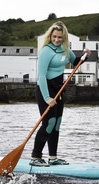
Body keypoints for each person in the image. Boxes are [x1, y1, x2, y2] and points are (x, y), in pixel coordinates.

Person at [30, 21, 89, 167]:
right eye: (54, 37)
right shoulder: (46, 51)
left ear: (64, 38)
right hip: (45, 90)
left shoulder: (65, 49)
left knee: (56, 124)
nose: (57, 40)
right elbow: (42, 76)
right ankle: (35, 157)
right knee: (48, 123)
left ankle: (53, 157)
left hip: (59, 90)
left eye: (60, 37)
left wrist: (84, 56)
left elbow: (75, 62)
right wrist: (47, 98)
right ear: (50, 36)